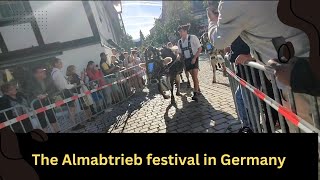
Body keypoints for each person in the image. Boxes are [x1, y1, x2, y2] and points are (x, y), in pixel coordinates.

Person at [207, 1, 311, 132]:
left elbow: (219, 41)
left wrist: (212, 21)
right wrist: (252, 56)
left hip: (298, 80)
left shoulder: (231, 3)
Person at [51, 58, 85, 131]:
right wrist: (73, 85)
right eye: (60, 62)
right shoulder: (57, 73)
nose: (62, 64)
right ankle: (74, 125)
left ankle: (75, 124)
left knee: (72, 108)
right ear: (56, 64)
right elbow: (64, 86)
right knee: (72, 109)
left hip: (64, 92)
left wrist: (68, 82)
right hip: (65, 92)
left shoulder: (55, 72)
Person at [24, 65, 60, 132]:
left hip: (48, 102)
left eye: (43, 71)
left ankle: (57, 131)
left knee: (52, 118)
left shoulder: (48, 79)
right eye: (41, 72)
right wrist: (37, 96)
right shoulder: (30, 82)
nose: (43, 73)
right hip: (37, 105)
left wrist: (46, 94)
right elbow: (27, 94)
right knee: (42, 122)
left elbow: (54, 88)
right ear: (35, 74)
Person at [177, 23, 202, 101]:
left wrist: (195, 58)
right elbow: (180, 53)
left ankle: (195, 94)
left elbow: (200, 48)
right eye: (179, 32)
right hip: (186, 60)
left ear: (185, 31)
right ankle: (198, 88)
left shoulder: (193, 37)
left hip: (194, 58)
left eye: (181, 31)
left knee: (194, 77)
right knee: (193, 77)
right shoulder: (179, 42)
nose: (180, 33)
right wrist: (178, 56)